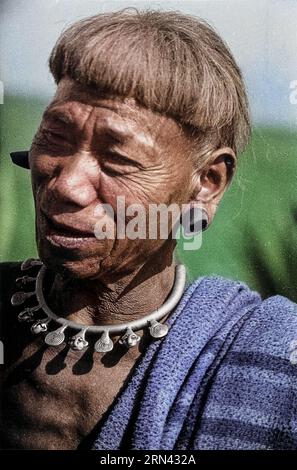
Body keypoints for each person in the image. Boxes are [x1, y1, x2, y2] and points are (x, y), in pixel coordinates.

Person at [1, 9, 296, 450]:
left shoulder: (273, 362)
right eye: (55, 137)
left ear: (206, 184)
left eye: (117, 160)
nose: (66, 185)